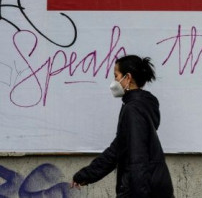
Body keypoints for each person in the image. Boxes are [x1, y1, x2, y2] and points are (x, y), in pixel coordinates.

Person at [71, 55, 174, 197]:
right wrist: (86, 175)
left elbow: (138, 159)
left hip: (141, 190)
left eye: (116, 76)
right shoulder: (141, 106)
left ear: (128, 78)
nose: (114, 81)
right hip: (153, 187)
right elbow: (117, 150)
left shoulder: (133, 110)